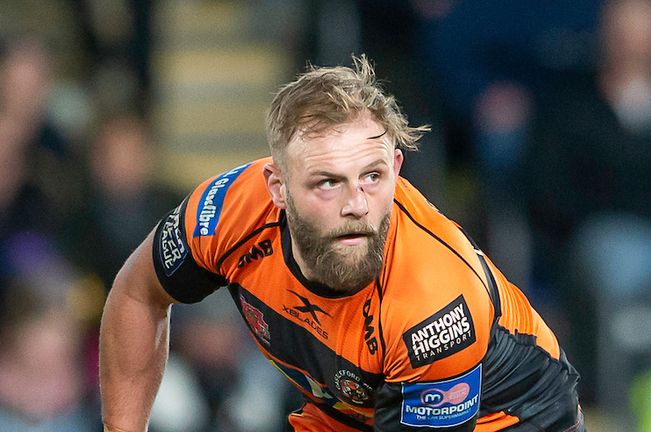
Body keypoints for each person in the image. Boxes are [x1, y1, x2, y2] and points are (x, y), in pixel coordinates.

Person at [99, 55, 584, 432]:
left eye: (372, 177)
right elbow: (138, 294)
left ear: (396, 169)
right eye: (327, 183)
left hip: (511, 418)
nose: (357, 204)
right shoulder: (224, 213)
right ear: (277, 188)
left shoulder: (434, 305)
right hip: (352, 411)